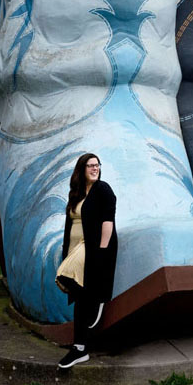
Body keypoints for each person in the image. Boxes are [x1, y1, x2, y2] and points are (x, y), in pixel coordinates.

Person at [56, 153, 118, 368]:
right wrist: (66, 250)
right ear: (81, 169)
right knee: (80, 295)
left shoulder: (103, 189)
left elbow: (108, 222)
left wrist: (102, 251)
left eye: (97, 165)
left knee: (64, 276)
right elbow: (70, 224)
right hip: (75, 248)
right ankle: (80, 347)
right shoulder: (76, 194)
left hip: (91, 248)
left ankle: (96, 301)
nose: (95, 168)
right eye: (90, 165)